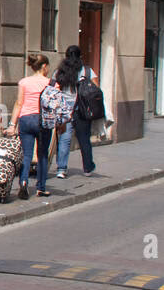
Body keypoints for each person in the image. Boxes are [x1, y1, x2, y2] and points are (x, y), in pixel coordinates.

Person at [7, 53, 53, 199]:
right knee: (42, 154)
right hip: (43, 120)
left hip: (26, 119)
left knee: (26, 154)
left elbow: (19, 103)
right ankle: (41, 187)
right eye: (48, 66)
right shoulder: (51, 83)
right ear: (44, 66)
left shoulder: (24, 82)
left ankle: (23, 182)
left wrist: (12, 125)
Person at [53, 45, 97, 178]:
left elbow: (53, 90)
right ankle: (87, 168)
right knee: (84, 139)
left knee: (64, 140)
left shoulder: (59, 72)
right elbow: (95, 90)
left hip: (64, 111)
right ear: (80, 56)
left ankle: (61, 169)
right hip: (82, 110)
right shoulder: (87, 71)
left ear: (66, 57)